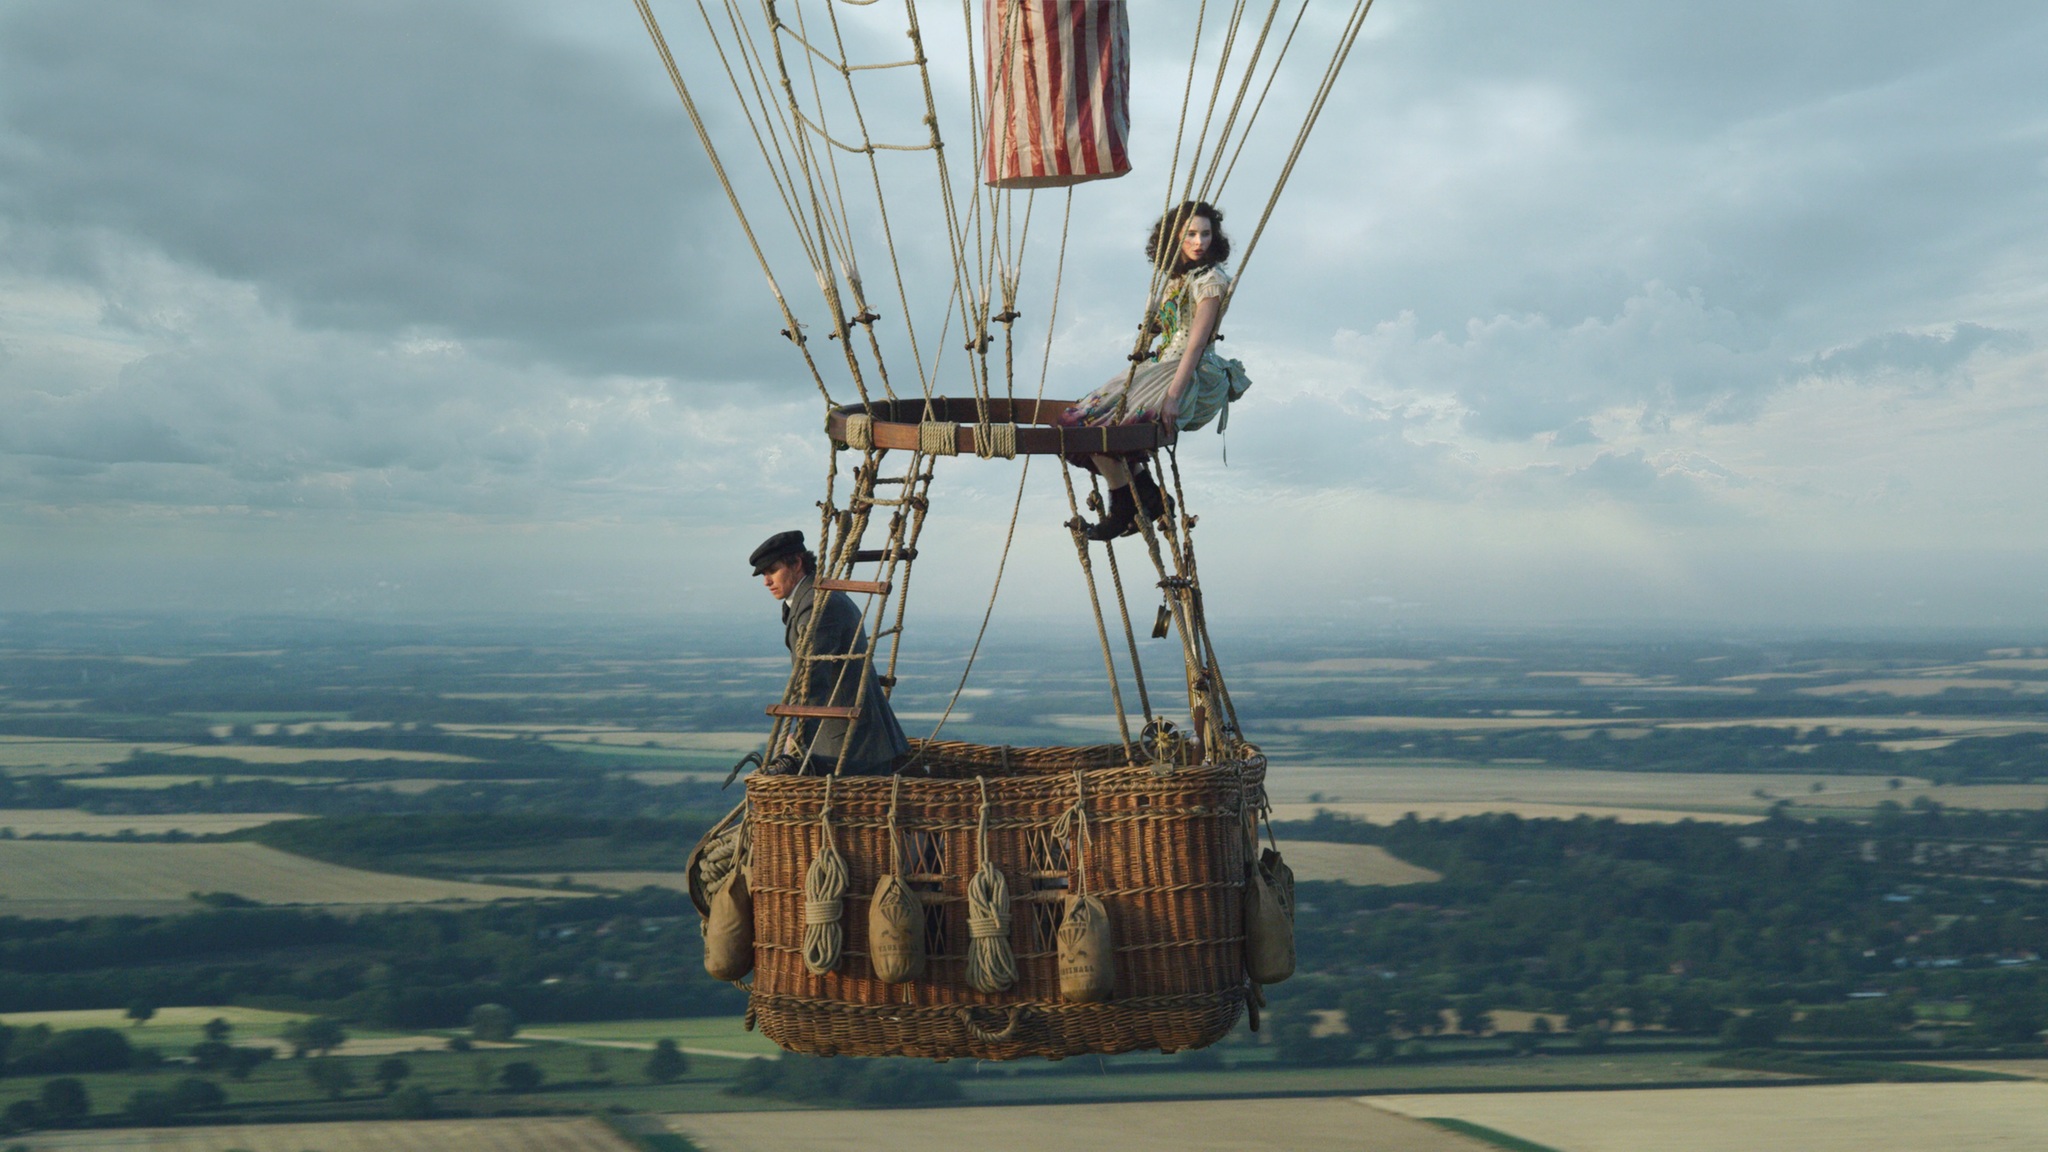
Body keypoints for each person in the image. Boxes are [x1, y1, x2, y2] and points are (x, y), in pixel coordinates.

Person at [1060, 200, 1252, 540]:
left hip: (1187, 369)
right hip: (1160, 362)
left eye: (1206, 234)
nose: (1199, 242)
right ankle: (1145, 494)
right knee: (1083, 422)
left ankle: (1124, 506)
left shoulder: (1210, 280)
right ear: (1175, 238)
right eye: (1191, 234)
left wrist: (1173, 396)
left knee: (1107, 427)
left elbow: (1195, 343)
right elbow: (1159, 330)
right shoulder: (1176, 279)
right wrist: (1149, 327)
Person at [750, 530, 909, 776]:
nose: (766, 581)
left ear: (797, 563)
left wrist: (801, 739)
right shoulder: (812, 598)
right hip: (851, 738)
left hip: (852, 746)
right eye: (763, 574)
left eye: (772, 570)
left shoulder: (818, 606)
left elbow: (812, 678)